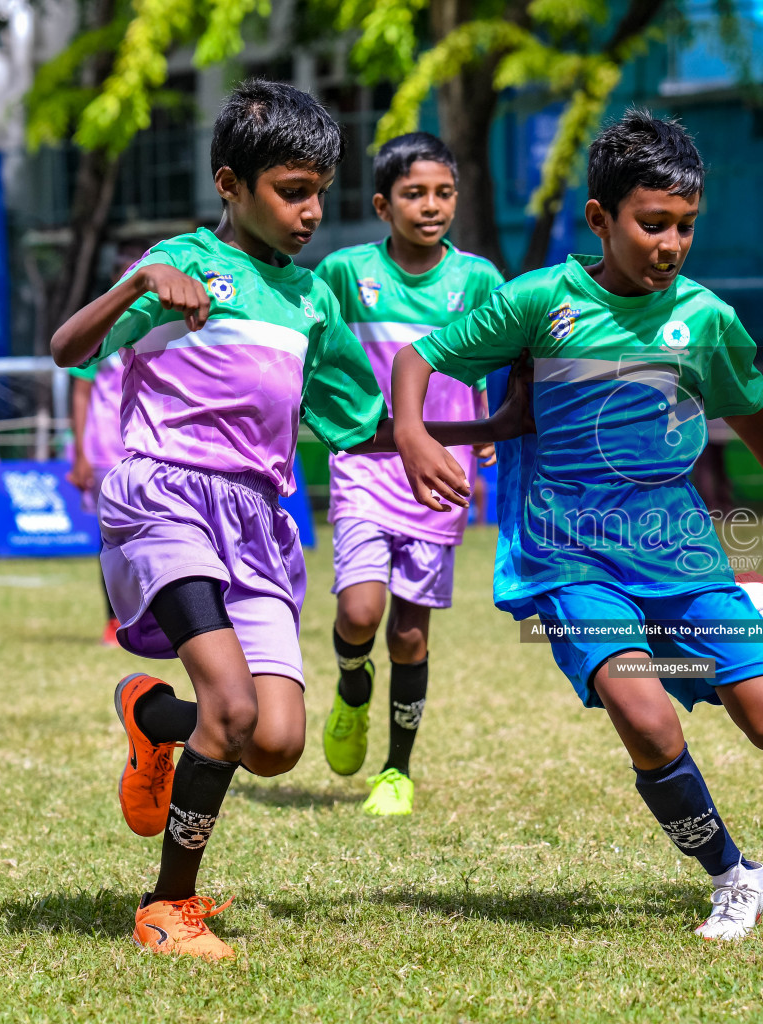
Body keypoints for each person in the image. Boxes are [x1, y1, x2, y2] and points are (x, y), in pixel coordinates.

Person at [48, 80, 528, 961]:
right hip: (168, 501)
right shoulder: (181, 267)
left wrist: (458, 433)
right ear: (231, 185)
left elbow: (361, 420)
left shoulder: (313, 302)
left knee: (272, 742)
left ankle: (154, 719)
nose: (312, 212)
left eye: (320, 192)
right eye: (290, 191)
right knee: (230, 711)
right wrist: (135, 286)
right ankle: (168, 908)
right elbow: (68, 349)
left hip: (259, 524)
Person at [392, 109, 763, 942]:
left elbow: (747, 404)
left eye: (686, 226)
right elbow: (419, 358)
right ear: (600, 220)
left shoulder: (705, 318)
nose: (672, 243)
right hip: (568, 560)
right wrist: (411, 431)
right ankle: (734, 874)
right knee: (647, 721)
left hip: (678, 553)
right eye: (652, 223)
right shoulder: (540, 301)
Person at [314, 131, 504, 817]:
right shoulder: (341, 272)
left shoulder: (477, 278)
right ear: (382, 204)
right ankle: (350, 683)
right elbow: (315, 349)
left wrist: (485, 425)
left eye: (444, 193)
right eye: (414, 194)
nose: (431, 206)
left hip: (441, 474)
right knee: (360, 612)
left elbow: (491, 354)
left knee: (411, 633)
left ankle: (396, 770)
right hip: (366, 464)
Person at [69, 247, 147, 646]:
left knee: (157, 538)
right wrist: (80, 453)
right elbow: (81, 393)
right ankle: (113, 621)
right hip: (105, 452)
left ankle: (154, 619)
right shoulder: (98, 327)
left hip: (151, 451)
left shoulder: (160, 324)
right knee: (112, 541)